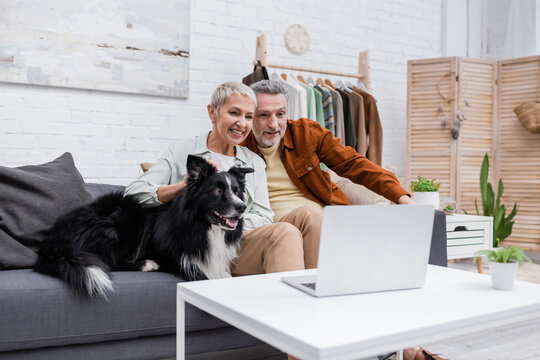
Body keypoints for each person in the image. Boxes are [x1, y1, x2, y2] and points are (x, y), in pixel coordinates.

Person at [242, 80, 447, 360]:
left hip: (325, 225)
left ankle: (407, 348)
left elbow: (355, 164)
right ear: (250, 114)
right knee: (313, 216)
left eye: (281, 114)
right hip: (279, 229)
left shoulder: (305, 134)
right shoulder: (237, 143)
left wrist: (402, 196)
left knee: (366, 255)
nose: (274, 124)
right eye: (264, 115)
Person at [124, 81, 306, 276]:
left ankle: (315, 299)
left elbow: (263, 216)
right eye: (234, 113)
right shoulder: (181, 151)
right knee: (285, 232)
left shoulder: (254, 162)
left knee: (309, 216)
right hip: (196, 247)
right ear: (212, 113)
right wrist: (181, 187)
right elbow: (133, 193)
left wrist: (226, 219)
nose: (242, 123)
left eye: (249, 116)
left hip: (237, 246)